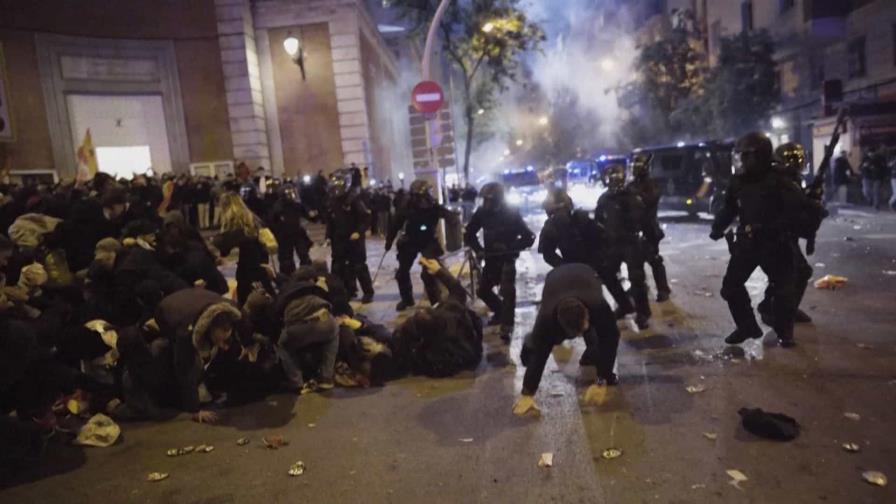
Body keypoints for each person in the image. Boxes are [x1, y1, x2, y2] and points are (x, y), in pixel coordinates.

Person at [710, 132, 824, 348]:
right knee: (730, 287)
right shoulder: (738, 182)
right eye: (740, 157)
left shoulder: (780, 180)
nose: (741, 161)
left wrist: (812, 213)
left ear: (759, 156)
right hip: (747, 242)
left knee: (784, 290)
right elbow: (729, 209)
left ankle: (784, 332)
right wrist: (717, 228)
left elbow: (801, 210)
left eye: (746, 156)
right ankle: (747, 326)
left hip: (775, 243)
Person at [514, 263, 620, 416]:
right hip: (555, 280)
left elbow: (611, 338)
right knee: (539, 343)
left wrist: (601, 379)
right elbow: (540, 354)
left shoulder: (598, 306)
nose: (577, 337)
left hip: (585, 272)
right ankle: (530, 343)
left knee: (598, 339)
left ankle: (593, 356)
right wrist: (527, 393)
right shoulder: (546, 319)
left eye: (581, 330)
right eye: (574, 333)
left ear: (587, 314)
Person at [538, 189, 635, 317]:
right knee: (591, 291)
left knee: (605, 284)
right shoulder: (555, 225)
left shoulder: (579, 218)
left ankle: (621, 307)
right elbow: (548, 253)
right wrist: (566, 267)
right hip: (580, 262)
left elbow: (601, 236)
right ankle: (614, 310)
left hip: (590, 259)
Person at [463, 182, 535, 341]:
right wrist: (478, 249)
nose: (487, 203)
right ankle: (500, 311)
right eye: (485, 200)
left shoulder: (511, 213)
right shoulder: (482, 213)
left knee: (508, 291)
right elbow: (469, 234)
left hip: (507, 258)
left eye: (490, 200)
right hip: (490, 257)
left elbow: (529, 237)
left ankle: (507, 326)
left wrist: (511, 247)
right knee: (483, 291)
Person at [757, 142, 816, 326]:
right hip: (771, 235)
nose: (796, 163)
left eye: (798, 158)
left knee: (797, 272)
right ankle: (771, 309)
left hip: (785, 234)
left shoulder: (792, 179)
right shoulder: (774, 179)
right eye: (791, 159)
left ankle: (785, 309)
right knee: (786, 274)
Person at [595, 164, 652, 329]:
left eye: (616, 177)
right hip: (613, 244)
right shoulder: (604, 199)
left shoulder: (632, 197)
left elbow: (644, 220)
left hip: (631, 243)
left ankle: (643, 313)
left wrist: (650, 242)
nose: (614, 181)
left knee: (637, 278)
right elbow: (599, 221)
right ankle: (625, 305)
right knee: (606, 274)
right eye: (611, 177)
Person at [386, 179, 458, 311]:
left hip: (428, 241)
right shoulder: (406, 207)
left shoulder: (434, 206)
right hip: (410, 240)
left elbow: (450, 216)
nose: (422, 202)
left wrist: (455, 225)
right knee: (402, 273)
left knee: (428, 273)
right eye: (419, 198)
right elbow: (395, 224)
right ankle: (407, 299)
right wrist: (388, 242)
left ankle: (436, 303)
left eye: (424, 198)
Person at [213, 192, 275, 305]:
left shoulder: (231, 231)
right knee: (267, 299)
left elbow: (222, 247)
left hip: (244, 274)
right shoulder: (253, 221)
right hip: (260, 269)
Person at [627, 153, 672, 302]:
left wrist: (636, 196)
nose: (634, 170)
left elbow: (650, 200)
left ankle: (663, 289)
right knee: (635, 262)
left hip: (649, 228)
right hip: (633, 229)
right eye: (633, 167)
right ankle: (639, 286)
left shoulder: (652, 184)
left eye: (637, 167)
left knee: (654, 259)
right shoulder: (631, 185)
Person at [326, 170, 374, 304]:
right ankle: (346, 291)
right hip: (339, 239)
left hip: (354, 238)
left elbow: (366, 217)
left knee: (359, 266)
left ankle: (368, 292)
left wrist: (359, 231)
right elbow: (331, 221)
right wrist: (328, 236)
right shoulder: (332, 201)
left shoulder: (353, 199)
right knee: (338, 267)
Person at [267, 182, 314, 275]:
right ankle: (289, 278)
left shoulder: (296, 205)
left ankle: (307, 275)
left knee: (304, 256)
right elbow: (271, 223)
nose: (291, 196)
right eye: (289, 194)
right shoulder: (277, 208)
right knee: (286, 261)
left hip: (297, 233)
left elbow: (307, 213)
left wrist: (312, 215)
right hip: (284, 237)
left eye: (292, 193)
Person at [860, 146, 887, 210]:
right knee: (866, 191)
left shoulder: (880, 158)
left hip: (877, 177)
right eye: (869, 153)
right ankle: (870, 199)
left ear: (875, 152)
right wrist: (864, 166)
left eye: (872, 153)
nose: (871, 154)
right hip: (867, 176)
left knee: (876, 191)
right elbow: (860, 167)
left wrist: (877, 169)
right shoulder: (865, 158)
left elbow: (884, 167)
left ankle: (876, 205)